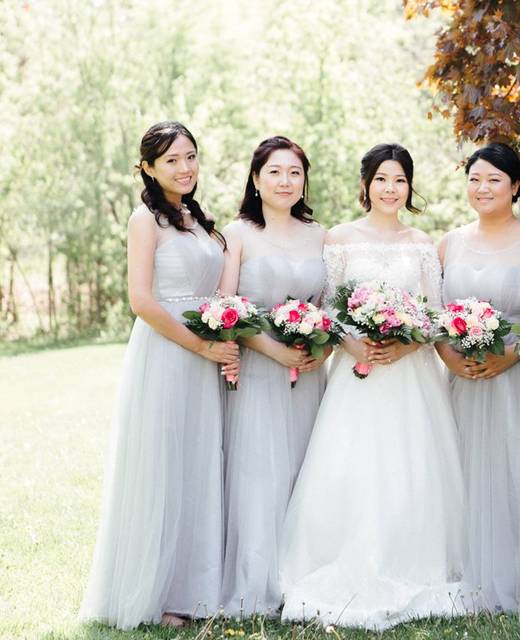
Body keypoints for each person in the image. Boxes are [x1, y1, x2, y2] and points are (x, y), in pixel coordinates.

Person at [279, 143, 465, 631]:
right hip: (356, 374)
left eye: (400, 180)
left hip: (410, 374)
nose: (390, 189)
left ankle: (412, 559)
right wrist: (353, 343)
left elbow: (435, 313)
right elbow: (328, 308)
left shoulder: (423, 242)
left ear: (409, 186)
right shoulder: (339, 239)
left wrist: (406, 344)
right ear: (366, 185)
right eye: (382, 179)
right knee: (351, 466)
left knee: (411, 466)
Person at [80, 122, 238, 629]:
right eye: (171, 160)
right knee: (164, 465)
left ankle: (198, 587)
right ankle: (160, 594)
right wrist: (200, 345)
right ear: (147, 167)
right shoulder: (144, 219)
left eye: (190, 156)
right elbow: (141, 301)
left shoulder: (197, 219)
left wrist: (225, 338)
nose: (185, 167)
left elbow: (216, 290)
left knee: (200, 465)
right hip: (168, 351)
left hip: (208, 349)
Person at [437, 142, 520, 613]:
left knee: (515, 465)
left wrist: (512, 354)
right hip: (462, 379)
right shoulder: (449, 243)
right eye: (474, 179)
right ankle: (461, 567)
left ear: (516, 186)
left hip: (516, 378)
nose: (482, 189)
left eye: (494, 180)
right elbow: (434, 315)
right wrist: (448, 355)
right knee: (459, 469)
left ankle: (518, 571)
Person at [217, 136, 328, 617]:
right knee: (259, 473)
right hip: (259, 372)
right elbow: (225, 308)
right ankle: (257, 582)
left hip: (307, 371)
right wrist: (272, 350)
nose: (286, 181)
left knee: (307, 470)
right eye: (275, 172)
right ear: (256, 179)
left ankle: (302, 578)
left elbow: (329, 305)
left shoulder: (319, 234)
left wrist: (317, 348)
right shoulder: (237, 234)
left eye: (295, 173)